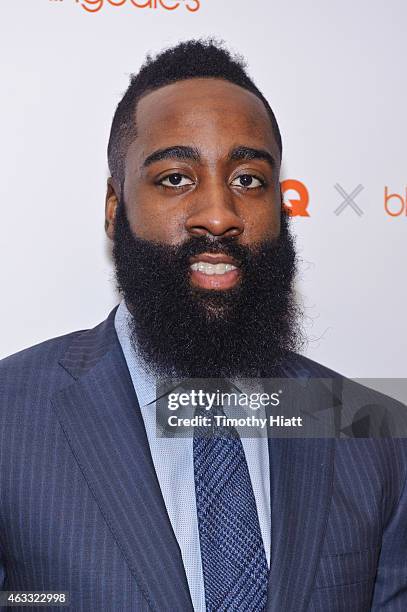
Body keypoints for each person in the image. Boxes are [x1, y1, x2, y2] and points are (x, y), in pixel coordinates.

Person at [0, 39, 406, 612]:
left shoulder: (374, 434)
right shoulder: (9, 419)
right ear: (115, 209)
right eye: (175, 178)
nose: (219, 214)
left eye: (248, 180)